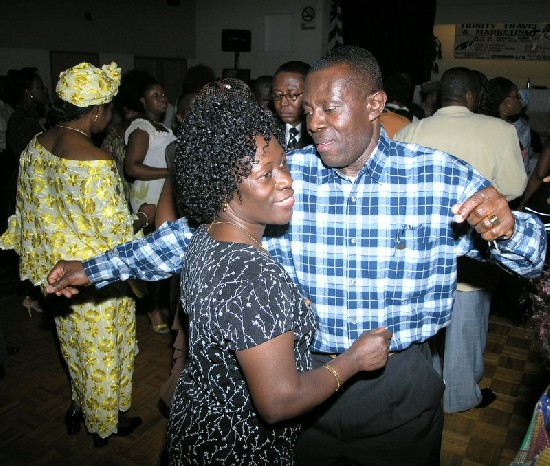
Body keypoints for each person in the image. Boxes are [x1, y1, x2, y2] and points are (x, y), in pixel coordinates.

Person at [45, 46, 547, 465]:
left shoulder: (437, 177)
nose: (316, 124)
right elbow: (194, 237)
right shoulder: (288, 176)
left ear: (376, 104)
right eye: (309, 110)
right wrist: (93, 269)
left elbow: (533, 257)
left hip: (399, 384)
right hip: (301, 381)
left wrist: (508, 229)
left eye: (330, 108)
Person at [51, 78, 393, 465]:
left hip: (198, 427)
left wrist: (89, 270)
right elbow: (279, 403)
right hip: (240, 447)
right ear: (223, 183)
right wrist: (352, 361)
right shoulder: (253, 277)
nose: (287, 180)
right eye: (267, 174)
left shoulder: (207, 238)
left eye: (283, 164)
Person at [0, 61, 152, 447]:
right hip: (96, 279)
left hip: (59, 278)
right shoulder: (96, 163)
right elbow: (119, 236)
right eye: (110, 109)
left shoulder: (35, 146)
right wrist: (144, 218)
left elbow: (28, 215)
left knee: (75, 349)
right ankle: (105, 426)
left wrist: (38, 275)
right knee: (104, 354)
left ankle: (79, 406)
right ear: (97, 111)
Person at [395, 67, 527, 413]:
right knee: (467, 328)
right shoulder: (499, 130)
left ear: (441, 96)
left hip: (422, 251)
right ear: (471, 97)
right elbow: (513, 187)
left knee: (428, 331)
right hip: (474, 248)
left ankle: (430, 392)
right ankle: (460, 396)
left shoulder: (412, 130)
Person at [124, 70, 176, 335]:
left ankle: (158, 303)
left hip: (163, 194)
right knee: (153, 258)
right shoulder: (142, 128)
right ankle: (152, 310)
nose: (162, 98)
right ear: (142, 101)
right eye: (154, 95)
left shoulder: (164, 129)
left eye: (163, 93)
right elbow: (132, 167)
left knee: (166, 255)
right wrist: (169, 172)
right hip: (148, 197)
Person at [271, 61, 314, 150]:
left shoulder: (318, 133)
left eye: (293, 95)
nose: (283, 103)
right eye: (277, 95)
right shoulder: (266, 132)